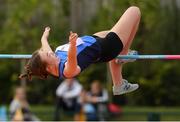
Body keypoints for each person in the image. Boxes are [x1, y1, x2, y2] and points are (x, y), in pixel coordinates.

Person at [20, 6, 140, 95]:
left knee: (113, 31)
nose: (50, 52)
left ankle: (118, 84)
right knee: (134, 11)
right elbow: (72, 58)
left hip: (96, 41)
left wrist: (44, 36)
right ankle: (124, 53)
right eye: (47, 54)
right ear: (47, 68)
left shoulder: (52, 59)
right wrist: (72, 44)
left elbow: (44, 45)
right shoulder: (67, 71)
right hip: (107, 47)